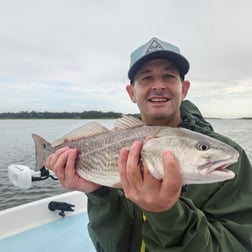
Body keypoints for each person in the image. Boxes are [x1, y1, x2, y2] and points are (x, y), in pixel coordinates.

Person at [45, 37, 252, 251]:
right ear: (131, 92)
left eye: (169, 76)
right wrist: (98, 192)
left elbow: (238, 245)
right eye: (146, 78)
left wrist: (167, 214)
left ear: (185, 88)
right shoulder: (118, 142)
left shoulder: (232, 158)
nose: (159, 86)